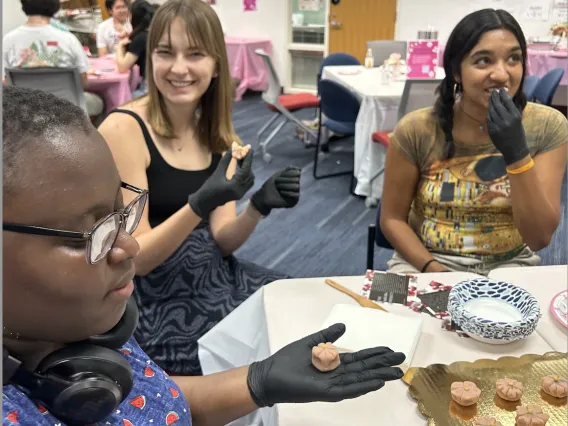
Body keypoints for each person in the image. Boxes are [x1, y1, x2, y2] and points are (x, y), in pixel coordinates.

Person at [2, 85, 406, 426]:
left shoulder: (86, 330)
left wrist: (260, 381)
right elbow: (148, 258)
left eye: (122, 214)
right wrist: (198, 204)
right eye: (86, 235)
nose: (128, 245)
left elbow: (156, 400)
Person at [98, 0, 303, 376]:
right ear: (150, 58)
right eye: (165, 53)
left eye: (194, 54)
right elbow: (137, 259)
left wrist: (258, 206)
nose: (179, 68)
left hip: (211, 271)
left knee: (295, 310)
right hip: (152, 295)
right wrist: (198, 204)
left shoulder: (219, 135)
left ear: (215, 65)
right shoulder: (123, 130)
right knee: (238, 365)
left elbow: (223, 238)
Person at [380, 8, 568, 276]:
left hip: (510, 266)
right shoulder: (416, 129)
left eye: (514, 59)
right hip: (423, 262)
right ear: (456, 71)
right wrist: (434, 270)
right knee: (398, 316)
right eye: (483, 61)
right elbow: (391, 219)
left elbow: (539, 239)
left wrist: (516, 153)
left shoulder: (548, 126)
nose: (502, 75)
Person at [3, 0, 104, 119]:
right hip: (67, 113)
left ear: (24, 5)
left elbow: (5, 82)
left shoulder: (9, 40)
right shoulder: (68, 39)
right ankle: (91, 137)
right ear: (54, 6)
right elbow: (84, 82)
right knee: (101, 102)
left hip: (27, 116)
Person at [116, 0, 157, 97]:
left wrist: (120, 46)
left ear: (133, 16)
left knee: (124, 98)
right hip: (154, 81)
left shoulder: (140, 37)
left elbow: (122, 67)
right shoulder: (150, 32)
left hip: (149, 86)